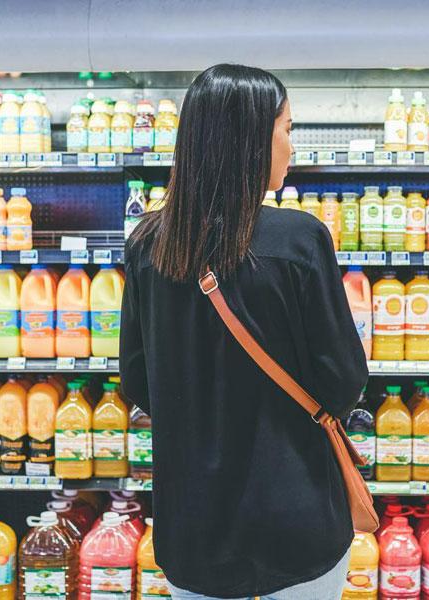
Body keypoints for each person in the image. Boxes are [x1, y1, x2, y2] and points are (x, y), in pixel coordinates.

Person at [120, 64, 368, 600]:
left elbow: (138, 383)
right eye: (287, 129)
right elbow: (344, 380)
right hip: (296, 516)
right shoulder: (300, 241)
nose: (292, 146)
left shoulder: (148, 245)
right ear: (253, 140)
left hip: (194, 526)